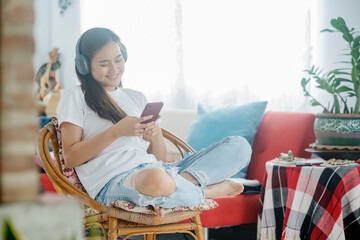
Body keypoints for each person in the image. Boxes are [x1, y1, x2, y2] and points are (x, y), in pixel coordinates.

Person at [58, 27, 252, 217]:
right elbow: (71, 157)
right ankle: (205, 191)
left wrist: (155, 136)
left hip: (158, 171)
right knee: (156, 179)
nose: (114, 69)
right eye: (104, 63)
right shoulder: (75, 95)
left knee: (239, 146)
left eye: (118, 60)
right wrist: (116, 131)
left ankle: (171, 189)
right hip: (113, 181)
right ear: (84, 65)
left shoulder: (136, 97)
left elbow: (157, 159)